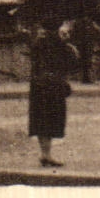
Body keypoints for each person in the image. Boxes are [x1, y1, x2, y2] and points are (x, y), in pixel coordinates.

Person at [28, 21, 79, 168]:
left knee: (41, 119)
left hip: (38, 85)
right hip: (53, 85)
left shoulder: (38, 43)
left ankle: (45, 153)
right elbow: (72, 64)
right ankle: (46, 154)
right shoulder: (60, 44)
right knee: (51, 119)